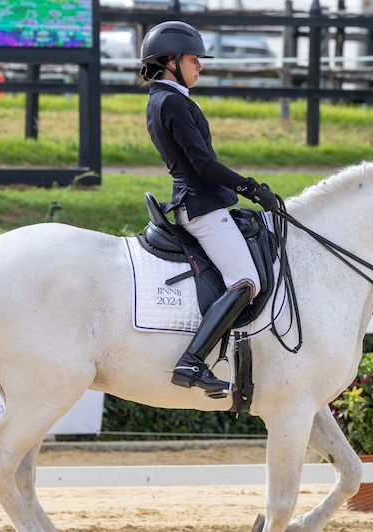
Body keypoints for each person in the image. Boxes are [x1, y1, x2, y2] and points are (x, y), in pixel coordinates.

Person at [140, 20, 280, 396]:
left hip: (199, 201)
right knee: (246, 281)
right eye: (193, 59)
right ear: (170, 61)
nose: (200, 66)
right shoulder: (171, 101)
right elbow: (203, 164)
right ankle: (192, 361)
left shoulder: (165, 99)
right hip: (202, 206)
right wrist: (250, 188)